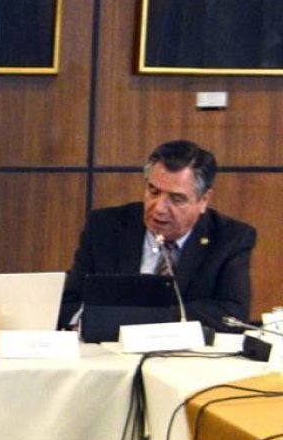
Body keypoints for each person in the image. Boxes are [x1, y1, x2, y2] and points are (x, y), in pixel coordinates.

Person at [59, 140, 256, 332]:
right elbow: (70, 303)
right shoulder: (106, 227)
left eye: (176, 199)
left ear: (204, 200)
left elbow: (233, 314)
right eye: (153, 191)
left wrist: (151, 319)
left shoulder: (230, 238)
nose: (159, 208)